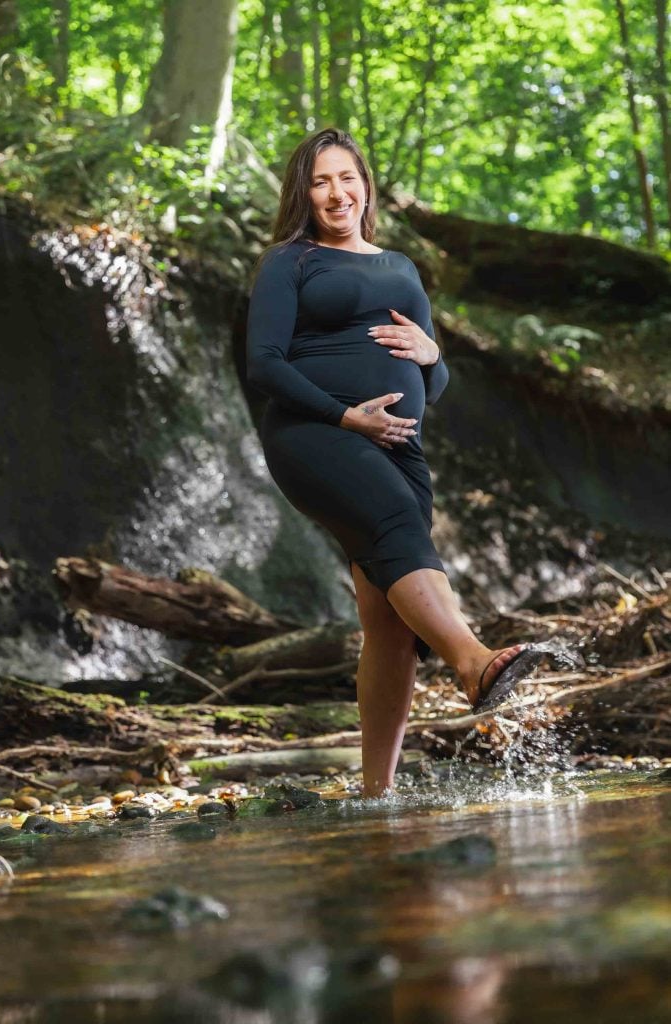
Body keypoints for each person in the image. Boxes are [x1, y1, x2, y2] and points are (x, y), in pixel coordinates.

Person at [246, 128, 542, 797]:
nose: (335, 193)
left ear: (365, 186)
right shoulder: (288, 263)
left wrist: (433, 356)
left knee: (384, 621)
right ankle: (472, 663)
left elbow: (431, 387)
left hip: (399, 445)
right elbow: (263, 363)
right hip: (315, 434)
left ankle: (375, 792)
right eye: (320, 181)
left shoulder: (400, 269)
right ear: (303, 192)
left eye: (346, 178)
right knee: (398, 531)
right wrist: (346, 415)